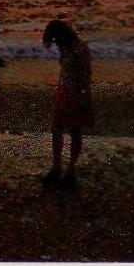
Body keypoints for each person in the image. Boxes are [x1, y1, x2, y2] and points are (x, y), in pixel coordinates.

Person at [42, 17, 93, 188]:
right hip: (64, 90)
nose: (54, 43)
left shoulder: (80, 48)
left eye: (55, 38)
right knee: (58, 129)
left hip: (76, 92)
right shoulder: (65, 47)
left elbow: (86, 75)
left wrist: (84, 96)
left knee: (73, 130)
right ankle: (58, 168)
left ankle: (69, 170)